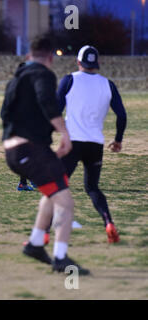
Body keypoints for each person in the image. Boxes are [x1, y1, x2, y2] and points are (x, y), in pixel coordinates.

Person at [0, 35, 89, 275]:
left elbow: (5, 113)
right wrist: (64, 133)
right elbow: (47, 102)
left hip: (14, 150)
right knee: (66, 202)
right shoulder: (43, 75)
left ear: (29, 55)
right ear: (50, 58)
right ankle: (61, 258)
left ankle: (36, 244)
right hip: (29, 150)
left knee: (54, 190)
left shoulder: (16, 80)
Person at [56, 45, 127, 243]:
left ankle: (51, 228)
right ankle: (108, 223)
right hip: (95, 144)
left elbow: (56, 109)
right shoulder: (108, 84)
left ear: (78, 62)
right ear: (98, 63)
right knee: (93, 188)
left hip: (73, 142)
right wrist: (118, 139)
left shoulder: (69, 80)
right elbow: (122, 116)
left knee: (59, 185)